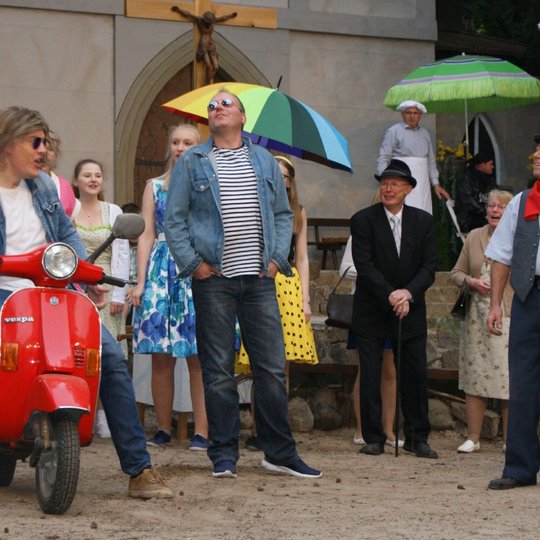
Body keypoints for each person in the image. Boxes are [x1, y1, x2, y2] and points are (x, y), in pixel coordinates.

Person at [0, 105, 172, 498]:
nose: (43, 151)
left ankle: (139, 470)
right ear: (10, 143)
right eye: (35, 142)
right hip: (4, 294)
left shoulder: (43, 187)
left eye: (46, 143)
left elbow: (65, 235)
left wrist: (86, 274)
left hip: (50, 295)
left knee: (108, 357)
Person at [164, 89, 321, 479]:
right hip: (213, 279)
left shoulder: (264, 160)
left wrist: (275, 260)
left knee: (269, 368)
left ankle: (279, 452)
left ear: (243, 117)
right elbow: (174, 220)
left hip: (259, 281)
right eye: (212, 106)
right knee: (217, 370)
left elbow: (283, 215)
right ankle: (223, 455)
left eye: (225, 104)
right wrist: (194, 264)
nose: (217, 108)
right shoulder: (194, 161)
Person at [351, 158, 438, 459]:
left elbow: (429, 266)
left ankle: (417, 437)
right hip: (373, 307)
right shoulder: (363, 220)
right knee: (372, 372)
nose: (388, 188)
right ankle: (374, 436)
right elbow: (365, 265)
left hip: (411, 309)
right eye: (384, 183)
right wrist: (390, 294)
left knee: (414, 373)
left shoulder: (424, 222)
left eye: (395, 184)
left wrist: (408, 294)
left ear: (408, 189)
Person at [130, 124, 209, 450]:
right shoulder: (155, 186)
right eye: (175, 141)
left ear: (197, 147)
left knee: (199, 357)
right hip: (162, 270)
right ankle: (162, 428)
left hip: (197, 269)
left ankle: (202, 431)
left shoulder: (207, 185)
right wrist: (141, 280)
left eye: (187, 142)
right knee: (161, 358)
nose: (180, 147)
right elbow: (146, 233)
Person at [238, 155, 319, 452]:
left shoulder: (298, 212)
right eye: (276, 173)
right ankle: (259, 429)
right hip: (258, 282)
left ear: (290, 181)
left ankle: (276, 431)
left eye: (286, 175)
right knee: (262, 363)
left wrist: (305, 298)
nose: (281, 179)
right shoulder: (254, 206)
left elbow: (303, 257)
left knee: (280, 368)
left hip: (287, 286)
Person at [486, 134, 540, 490]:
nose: (534, 154)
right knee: (522, 385)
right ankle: (519, 468)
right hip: (529, 298)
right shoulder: (522, 202)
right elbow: (502, 255)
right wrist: (494, 303)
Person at [450, 190, 513, 453]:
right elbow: (455, 273)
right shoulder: (474, 236)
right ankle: (473, 437)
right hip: (476, 317)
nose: (495, 210)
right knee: (475, 376)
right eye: (491, 205)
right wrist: (471, 282)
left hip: (508, 316)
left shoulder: (518, 237)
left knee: (510, 379)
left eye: (501, 206)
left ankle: (512, 440)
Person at [72, 158, 130, 438]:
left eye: (97, 175)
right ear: (76, 181)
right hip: (75, 285)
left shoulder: (113, 211)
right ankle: (80, 412)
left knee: (107, 356)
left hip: (106, 287)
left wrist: (119, 293)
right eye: (87, 175)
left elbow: (121, 254)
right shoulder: (68, 210)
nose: (93, 180)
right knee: (79, 353)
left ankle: (106, 416)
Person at [339, 236, 403, 449]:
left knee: (389, 369)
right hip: (366, 306)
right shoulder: (361, 233)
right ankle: (362, 429)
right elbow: (346, 269)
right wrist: (376, 273)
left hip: (391, 306)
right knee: (366, 369)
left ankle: (388, 430)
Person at [376, 100, 449, 214]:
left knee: (422, 210)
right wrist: (384, 180)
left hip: (422, 181)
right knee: (402, 210)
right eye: (408, 112)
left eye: (415, 113)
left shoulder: (425, 133)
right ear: (402, 114)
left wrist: (436, 184)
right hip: (401, 178)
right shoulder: (394, 131)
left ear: (420, 115)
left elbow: (431, 160)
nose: (412, 116)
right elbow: (384, 157)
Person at [171, 6, 237, 85]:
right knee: (209, 66)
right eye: (208, 23)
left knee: (216, 66)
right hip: (204, 44)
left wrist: (231, 15)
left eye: (210, 23)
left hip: (211, 43)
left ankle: (209, 79)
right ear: (204, 20)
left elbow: (223, 18)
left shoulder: (213, 21)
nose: (209, 24)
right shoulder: (199, 20)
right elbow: (188, 14)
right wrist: (178, 10)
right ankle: (209, 82)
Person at [41, 130, 80, 220]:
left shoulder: (64, 186)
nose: (44, 153)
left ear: (56, 155)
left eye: (50, 149)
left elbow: (70, 227)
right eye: (42, 146)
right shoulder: (19, 181)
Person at [454, 152, 498, 233]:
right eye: (490, 164)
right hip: (469, 220)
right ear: (482, 165)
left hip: (485, 216)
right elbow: (468, 203)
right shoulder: (466, 180)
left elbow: (498, 197)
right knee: (495, 223)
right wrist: (486, 213)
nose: (493, 167)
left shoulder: (489, 181)